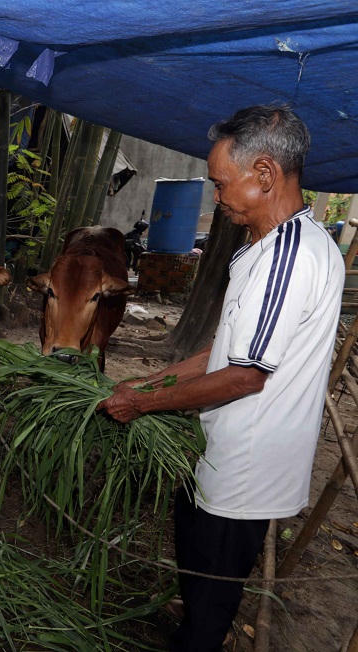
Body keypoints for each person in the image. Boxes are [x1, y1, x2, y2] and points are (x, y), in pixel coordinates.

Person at [99, 105, 344, 650]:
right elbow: (226, 350)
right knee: (199, 570)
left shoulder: (288, 258)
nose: (216, 196)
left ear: (264, 174)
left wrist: (141, 406)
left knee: (211, 605)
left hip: (245, 470)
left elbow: (243, 377)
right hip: (222, 454)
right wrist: (149, 384)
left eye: (220, 183)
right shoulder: (274, 247)